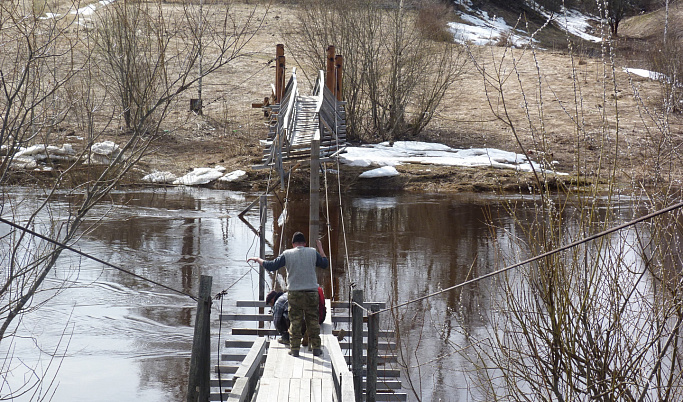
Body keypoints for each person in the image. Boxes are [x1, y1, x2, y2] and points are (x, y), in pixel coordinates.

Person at [248, 231, 328, 357]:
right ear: (305, 243)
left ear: (292, 244)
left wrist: (258, 259)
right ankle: (316, 348)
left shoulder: (287, 254)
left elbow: (271, 266)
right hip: (312, 293)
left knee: (295, 321)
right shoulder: (313, 252)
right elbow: (324, 264)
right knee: (312, 320)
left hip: (295, 294)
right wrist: (321, 249)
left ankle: (295, 350)